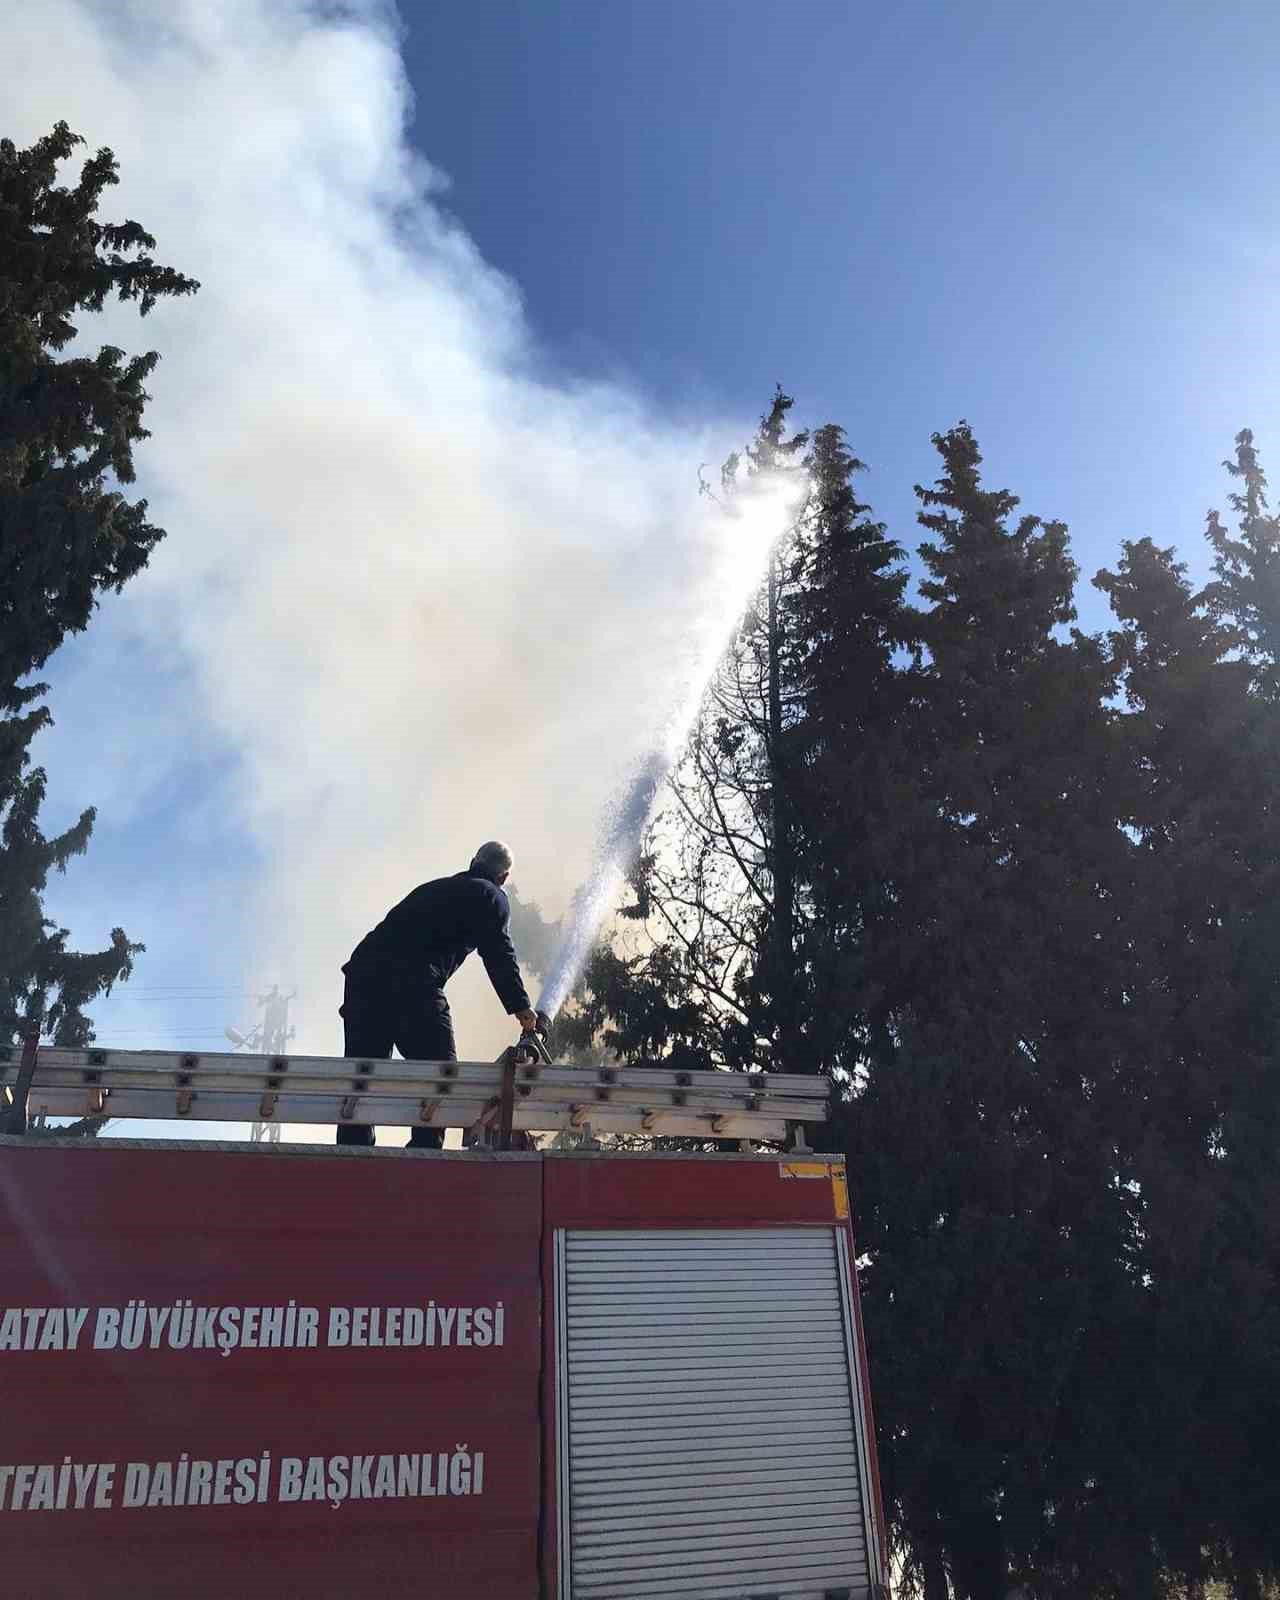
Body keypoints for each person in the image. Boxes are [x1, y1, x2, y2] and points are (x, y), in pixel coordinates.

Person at [336, 840, 537, 1149]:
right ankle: (424, 1151)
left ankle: (353, 1154)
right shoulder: (491, 895)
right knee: (442, 1073)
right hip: (413, 982)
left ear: (473, 861)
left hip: (363, 978)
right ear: (504, 877)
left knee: (363, 1072)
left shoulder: (434, 888)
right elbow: (498, 952)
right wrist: (521, 1007)